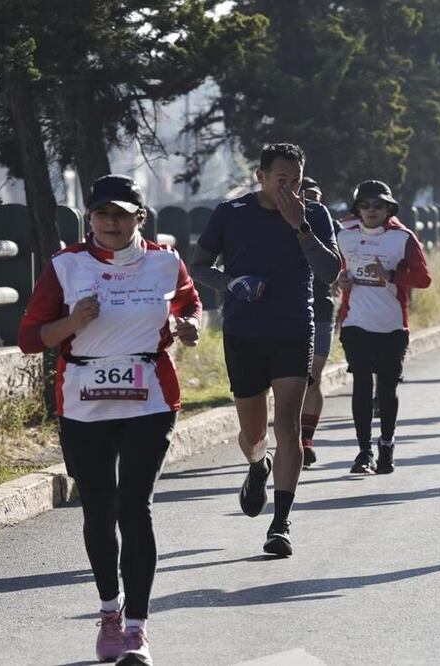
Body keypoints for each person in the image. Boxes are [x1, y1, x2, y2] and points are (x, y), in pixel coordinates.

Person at [18, 175, 202, 665]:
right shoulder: (66, 265)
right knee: (98, 510)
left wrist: (190, 329)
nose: (111, 223)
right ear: (90, 219)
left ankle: (138, 628)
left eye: (121, 214)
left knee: (134, 506)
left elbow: (190, 305)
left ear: (140, 218)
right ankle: (109, 612)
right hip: (84, 401)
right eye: (102, 214)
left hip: (150, 399)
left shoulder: (166, 262)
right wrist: (72, 323)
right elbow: (31, 337)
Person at [190, 143, 340, 557]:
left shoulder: (314, 215)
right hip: (244, 331)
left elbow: (329, 273)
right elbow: (198, 265)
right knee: (254, 433)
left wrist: (300, 226)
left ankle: (281, 523)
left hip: (293, 329)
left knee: (286, 427)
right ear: (261, 177)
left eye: (296, 181)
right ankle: (258, 465)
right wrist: (231, 284)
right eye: (281, 181)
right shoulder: (231, 213)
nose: (290, 190)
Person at [336, 180, 431, 474]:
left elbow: (423, 278)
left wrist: (391, 273)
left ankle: (386, 444)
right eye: (365, 205)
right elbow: (335, 269)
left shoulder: (402, 238)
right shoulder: (343, 235)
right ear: (357, 209)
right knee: (362, 385)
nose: (371, 210)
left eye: (378, 205)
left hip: (392, 326)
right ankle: (364, 451)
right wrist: (339, 280)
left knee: (387, 389)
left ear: (389, 208)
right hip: (355, 323)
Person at [298, 176, 342, 468]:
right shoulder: (277, 224)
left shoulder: (329, 226)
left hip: (322, 308)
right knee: (291, 379)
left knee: (313, 376)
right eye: (306, 196)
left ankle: (306, 441)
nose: (311, 202)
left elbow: (340, 262)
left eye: (316, 196)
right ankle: (287, 438)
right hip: (288, 310)